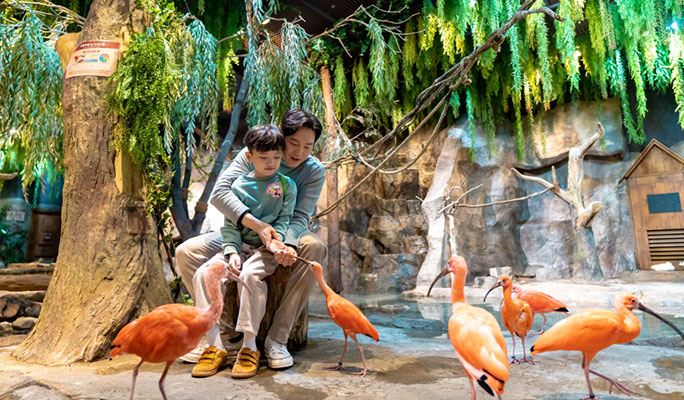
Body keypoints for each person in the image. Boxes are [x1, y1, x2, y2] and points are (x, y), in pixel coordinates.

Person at [176, 109, 327, 379]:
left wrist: (286, 245)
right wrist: (255, 226)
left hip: (284, 230)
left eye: (308, 146)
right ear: (281, 137)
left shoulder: (312, 171)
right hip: (243, 229)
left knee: (314, 247)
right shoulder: (256, 152)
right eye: (293, 143)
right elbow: (220, 194)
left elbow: (300, 216)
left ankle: (277, 338)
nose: (299, 152)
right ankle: (222, 337)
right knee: (186, 251)